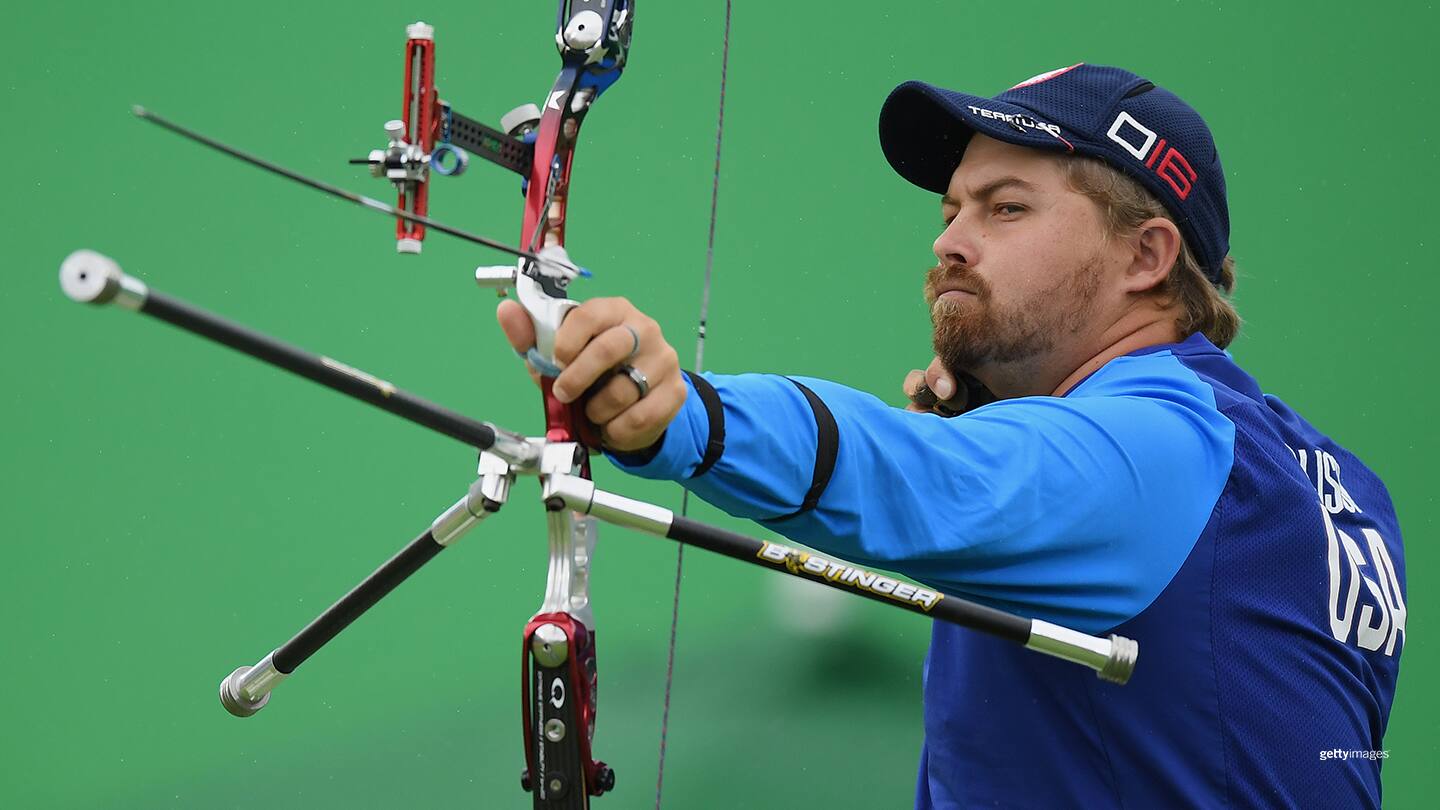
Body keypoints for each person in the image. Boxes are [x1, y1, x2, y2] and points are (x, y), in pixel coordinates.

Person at [496, 63, 1406, 809]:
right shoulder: (1338, 486)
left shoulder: (1161, 451)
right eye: (950, 212)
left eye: (1006, 208)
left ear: (1146, 257)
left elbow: (909, 475)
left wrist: (685, 414)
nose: (952, 243)